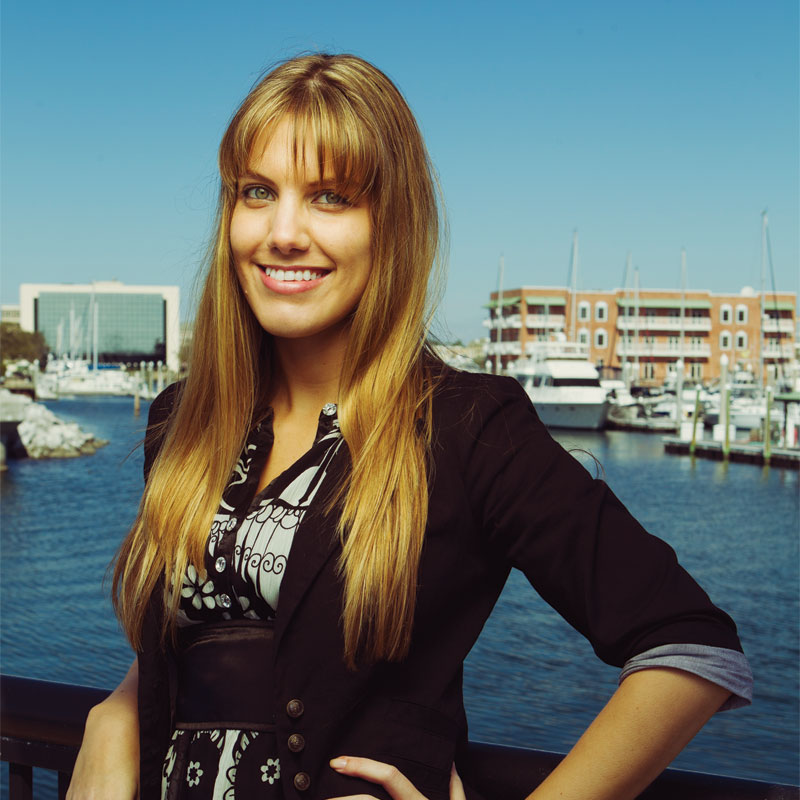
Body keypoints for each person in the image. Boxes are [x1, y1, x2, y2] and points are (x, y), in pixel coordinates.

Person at [67, 53, 752, 800]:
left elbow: (692, 646)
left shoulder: (467, 428)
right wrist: (118, 711)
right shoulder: (182, 418)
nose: (283, 232)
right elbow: (211, 622)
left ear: (390, 225)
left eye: (330, 197)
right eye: (258, 192)